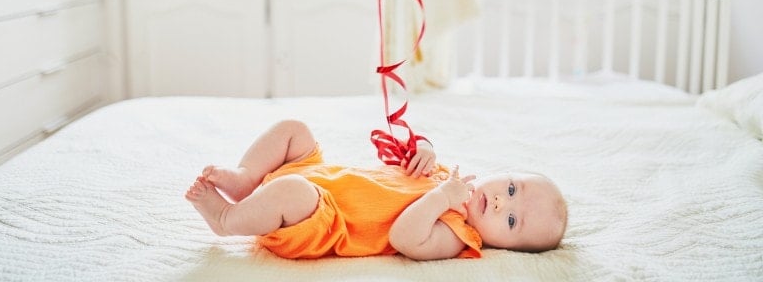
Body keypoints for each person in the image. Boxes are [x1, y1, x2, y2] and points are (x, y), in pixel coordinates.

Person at [185, 119, 567, 260]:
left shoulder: (457, 234)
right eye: (512, 189)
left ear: (504, 246)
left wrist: (439, 199)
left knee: (293, 191)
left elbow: (405, 237)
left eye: (512, 220)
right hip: (321, 175)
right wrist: (424, 150)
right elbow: (402, 158)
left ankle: (226, 218)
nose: (502, 201)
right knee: (294, 130)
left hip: (322, 217)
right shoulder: (449, 177)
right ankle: (246, 179)